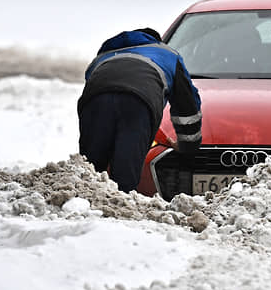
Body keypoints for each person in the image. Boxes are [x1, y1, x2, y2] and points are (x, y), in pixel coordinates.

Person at [77, 28, 202, 192]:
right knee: (126, 171)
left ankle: (82, 206)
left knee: (90, 169)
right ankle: (122, 207)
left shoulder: (101, 58)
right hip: (138, 102)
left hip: (95, 100)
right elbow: (187, 105)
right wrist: (188, 147)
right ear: (155, 41)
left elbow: (94, 88)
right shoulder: (167, 55)